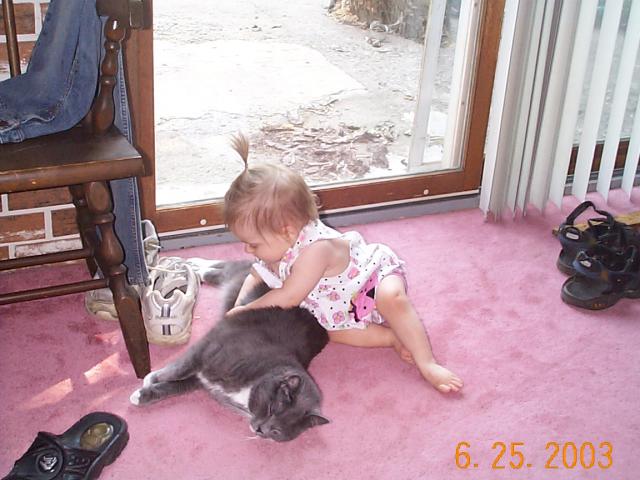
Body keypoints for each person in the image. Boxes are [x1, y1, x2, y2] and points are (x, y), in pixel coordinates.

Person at [224, 134, 463, 393]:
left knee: (392, 298)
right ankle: (391, 337)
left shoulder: (317, 250)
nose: (248, 250)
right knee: (329, 331)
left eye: (254, 244)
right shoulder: (277, 244)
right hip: (337, 304)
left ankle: (427, 362)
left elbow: (289, 296)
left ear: (287, 231)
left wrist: (248, 312)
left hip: (370, 279)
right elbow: (255, 275)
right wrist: (238, 308)